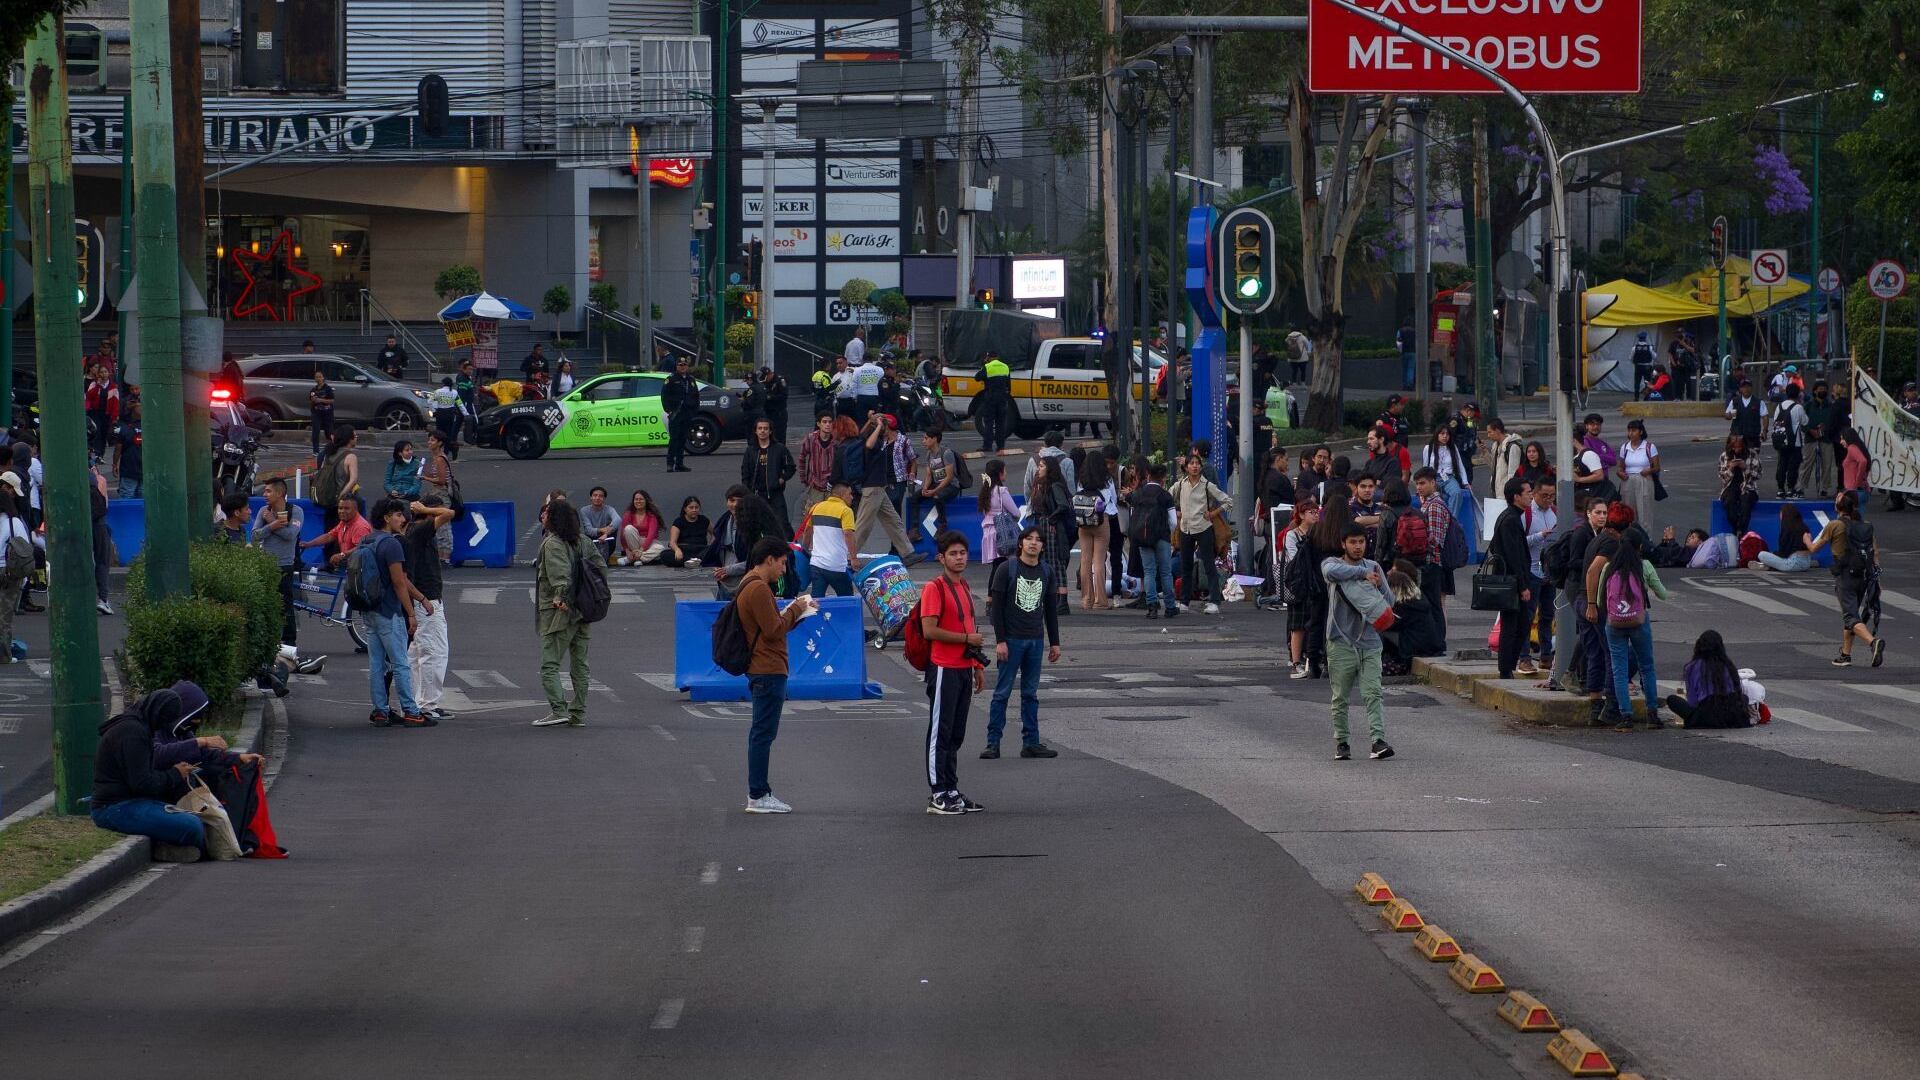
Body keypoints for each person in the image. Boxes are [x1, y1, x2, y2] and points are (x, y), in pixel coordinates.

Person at [736, 537, 818, 814]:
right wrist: (797, 608)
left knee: (761, 733)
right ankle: (758, 794)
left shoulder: (749, 583)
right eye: (782, 563)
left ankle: (759, 792)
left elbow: (771, 627)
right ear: (769, 559)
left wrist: (794, 615)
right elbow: (773, 630)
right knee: (763, 734)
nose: (783, 570)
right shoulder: (759, 588)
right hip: (768, 668)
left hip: (763, 667)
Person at [88, 689, 206, 860]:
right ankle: (165, 848)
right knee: (193, 826)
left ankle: (169, 846)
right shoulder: (133, 734)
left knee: (192, 818)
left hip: (130, 800)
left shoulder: (139, 726)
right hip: (114, 807)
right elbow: (143, 783)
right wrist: (175, 774)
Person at [919, 530, 988, 815]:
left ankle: (951, 789)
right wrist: (966, 640)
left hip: (963, 667)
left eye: (962, 553)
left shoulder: (964, 586)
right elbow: (929, 630)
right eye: (953, 554)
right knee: (941, 732)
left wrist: (977, 666)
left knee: (956, 732)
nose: (959, 558)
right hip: (943, 667)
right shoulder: (934, 588)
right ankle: (938, 793)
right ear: (941, 558)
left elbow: (969, 626)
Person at [983, 525, 1063, 760]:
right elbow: (996, 610)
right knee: (1002, 693)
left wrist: (1055, 643)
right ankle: (992, 743)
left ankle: (1031, 742)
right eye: (1029, 538)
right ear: (1020, 543)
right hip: (1011, 640)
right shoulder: (1006, 569)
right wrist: (1000, 641)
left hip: (1035, 641)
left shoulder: (1047, 571)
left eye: (1038, 540)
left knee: (1030, 694)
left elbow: (1051, 610)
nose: (1033, 543)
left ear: (1043, 546)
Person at [357, 498, 435, 728]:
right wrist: (412, 612)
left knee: (376, 664)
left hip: (369, 608)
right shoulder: (391, 544)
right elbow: (400, 582)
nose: (403, 519)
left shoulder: (366, 540)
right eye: (398, 515)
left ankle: (380, 711)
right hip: (389, 611)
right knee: (400, 663)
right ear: (386, 518)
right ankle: (411, 711)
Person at [1322, 523, 1395, 761]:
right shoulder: (1333, 564)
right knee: (1340, 697)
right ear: (1343, 544)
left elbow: (1390, 601)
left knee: (1373, 693)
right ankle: (1342, 742)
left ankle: (1378, 741)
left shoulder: (1374, 567)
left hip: (1370, 641)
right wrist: (1361, 575)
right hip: (1340, 641)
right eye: (1352, 542)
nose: (1357, 547)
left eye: (1361, 542)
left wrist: (1378, 586)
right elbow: (1330, 572)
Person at [1588, 517, 1667, 730]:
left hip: (1614, 624)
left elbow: (1600, 601)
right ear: (1639, 547)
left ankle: (1625, 716)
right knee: (1647, 667)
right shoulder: (1644, 566)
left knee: (1619, 670)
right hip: (1639, 622)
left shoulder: (1609, 568)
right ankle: (1652, 715)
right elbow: (1663, 594)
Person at [532, 499, 602, 727]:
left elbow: (560, 576)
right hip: (583, 610)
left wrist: (561, 598)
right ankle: (578, 712)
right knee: (580, 664)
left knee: (550, 664)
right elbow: (600, 569)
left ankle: (559, 709)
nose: (543, 517)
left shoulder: (553, 543)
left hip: (559, 612)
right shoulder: (584, 541)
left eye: (547, 513)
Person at [1806, 491, 1886, 668]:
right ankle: (1845, 654)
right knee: (1852, 614)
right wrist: (1877, 580)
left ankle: (1873, 642)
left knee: (1850, 616)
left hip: (1845, 575)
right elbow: (1875, 553)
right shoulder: (1865, 526)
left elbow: (1813, 548)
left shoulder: (1835, 525)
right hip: (1864, 576)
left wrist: (1806, 539)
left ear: (1838, 507)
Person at [406, 496, 458, 722]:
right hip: (427, 600)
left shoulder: (413, 531)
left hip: (421, 599)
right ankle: (427, 704)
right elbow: (449, 513)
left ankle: (414, 701)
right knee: (434, 652)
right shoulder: (420, 530)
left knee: (416, 654)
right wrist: (426, 508)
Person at [251, 478, 309, 660]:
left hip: (284, 565)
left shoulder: (295, 511)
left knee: (286, 606)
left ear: (280, 493)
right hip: (265, 565)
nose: (264, 495)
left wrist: (272, 525)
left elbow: (291, 535)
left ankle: (289, 644)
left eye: (268, 491)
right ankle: (267, 642)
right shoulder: (263, 511)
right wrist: (272, 525)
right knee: (265, 605)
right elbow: (254, 535)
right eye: (264, 491)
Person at [1489, 478, 1538, 679]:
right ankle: (1505, 669)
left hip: (1513, 581)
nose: (1531, 496)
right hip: (1511, 583)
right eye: (1528, 492)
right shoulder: (1510, 519)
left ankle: (1508, 666)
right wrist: (1522, 585)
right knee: (1512, 627)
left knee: (1521, 625)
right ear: (1516, 496)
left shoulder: (1512, 516)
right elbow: (1513, 556)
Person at [852, 413, 917, 562]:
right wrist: (878, 425)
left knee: (894, 521)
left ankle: (907, 553)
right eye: (884, 426)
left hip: (880, 487)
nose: (886, 429)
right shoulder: (872, 441)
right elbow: (867, 444)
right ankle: (849, 556)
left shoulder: (879, 440)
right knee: (863, 525)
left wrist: (872, 421)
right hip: (872, 487)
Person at [1172, 454, 1231, 614]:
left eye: (1197, 463)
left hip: (1204, 528)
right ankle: (1184, 602)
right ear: (1186, 467)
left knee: (1209, 565)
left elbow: (1228, 501)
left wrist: (1213, 513)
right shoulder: (1180, 484)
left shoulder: (1207, 485)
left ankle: (1214, 601)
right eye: (1191, 463)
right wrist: (1175, 512)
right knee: (1186, 567)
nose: (1195, 466)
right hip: (1185, 529)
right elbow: (1167, 498)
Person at [1665, 631, 1751, 729]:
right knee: (1744, 697)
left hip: (1706, 716)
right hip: (1732, 716)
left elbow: (1693, 702)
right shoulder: (1728, 665)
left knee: (1672, 699)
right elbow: (1738, 695)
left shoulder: (1691, 667)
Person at [1125, 461, 1177, 619]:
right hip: (1162, 537)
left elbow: (1133, 516)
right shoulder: (1166, 495)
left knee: (1149, 571)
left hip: (1143, 537)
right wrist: (1167, 533)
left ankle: (1152, 606)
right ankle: (1170, 607)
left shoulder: (1137, 494)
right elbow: (1173, 521)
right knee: (1165, 572)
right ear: (1163, 478)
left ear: (1148, 476)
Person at [801, 481, 860, 597]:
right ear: (842, 495)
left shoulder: (816, 507)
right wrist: (853, 558)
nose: (852, 497)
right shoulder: (846, 511)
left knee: (816, 600)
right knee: (846, 599)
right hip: (836, 566)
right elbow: (848, 534)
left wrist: (804, 552)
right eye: (849, 494)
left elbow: (807, 531)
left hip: (816, 565)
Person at [739, 418, 795, 536]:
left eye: (765, 428)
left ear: (770, 431)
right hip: (757, 493)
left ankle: (789, 545)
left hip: (775, 493)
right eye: (760, 428)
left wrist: (781, 479)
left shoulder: (779, 448)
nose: (762, 431)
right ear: (755, 431)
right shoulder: (750, 450)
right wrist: (747, 490)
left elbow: (791, 467)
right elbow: (745, 472)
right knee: (757, 524)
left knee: (782, 523)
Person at [906, 428, 963, 542]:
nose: (923, 441)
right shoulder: (929, 454)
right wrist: (925, 488)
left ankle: (942, 525)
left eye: (926, 438)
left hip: (951, 486)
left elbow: (949, 477)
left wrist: (935, 491)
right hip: (936, 484)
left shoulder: (946, 453)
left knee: (937, 497)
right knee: (914, 498)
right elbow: (929, 475)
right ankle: (914, 530)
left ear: (934, 439)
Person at [1072, 454, 1112, 610]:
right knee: (1099, 561)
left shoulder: (1081, 480)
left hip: (1083, 522)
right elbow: (1111, 501)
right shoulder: (1106, 480)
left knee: (1085, 560)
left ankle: (1087, 599)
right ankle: (1100, 601)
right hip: (1101, 521)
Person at [1525, 479, 1558, 670]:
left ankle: (1546, 655)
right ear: (1535, 494)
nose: (1548, 499)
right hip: (1531, 570)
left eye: (1552, 496)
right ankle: (1524, 656)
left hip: (1549, 572)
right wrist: (1540, 536)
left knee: (1547, 615)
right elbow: (1519, 541)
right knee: (1528, 615)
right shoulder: (1527, 513)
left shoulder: (1554, 513)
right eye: (1544, 496)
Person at [0, 478, 31, 656]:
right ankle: (4, 655)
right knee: (5, 616)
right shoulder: (14, 523)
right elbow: (25, 552)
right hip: (8, 573)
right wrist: (24, 579)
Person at [301, 495, 372, 570]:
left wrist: (342, 555)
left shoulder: (360, 527)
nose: (342, 511)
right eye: (340, 508)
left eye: (347, 508)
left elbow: (361, 549)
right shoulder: (344, 521)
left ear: (355, 509)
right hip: (350, 567)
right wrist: (308, 544)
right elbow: (329, 536)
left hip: (360, 570)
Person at [312, 423, 361, 532]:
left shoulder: (329, 453)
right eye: (355, 436)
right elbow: (353, 480)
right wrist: (341, 496)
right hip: (344, 501)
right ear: (349, 439)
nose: (357, 438)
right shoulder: (350, 456)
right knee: (348, 531)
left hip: (328, 499)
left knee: (330, 532)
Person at [417, 429, 455, 562]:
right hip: (437, 493)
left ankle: (445, 557)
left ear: (440, 443)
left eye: (432, 440)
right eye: (429, 439)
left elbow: (441, 480)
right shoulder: (436, 458)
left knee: (443, 526)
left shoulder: (440, 459)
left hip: (442, 494)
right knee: (439, 526)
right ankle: (442, 557)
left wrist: (425, 478)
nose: (429, 442)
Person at [977, 458, 1020, 573]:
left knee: (997, 566)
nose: (1006, 473)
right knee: (1002, 567)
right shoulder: (1001, 491)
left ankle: (993, 585)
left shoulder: (985, 491)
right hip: (1002, 533)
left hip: (988, 532)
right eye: (1004, 470)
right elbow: (1016, 513)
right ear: (1000, 474)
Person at [1616, 419, 1661, 528]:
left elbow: (1657, 467)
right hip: (1628, 480)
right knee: (1628, 512)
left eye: (1634, 430)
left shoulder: (1649, 447)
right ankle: (1629, 535)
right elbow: (1620, 467)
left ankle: (1646, 536)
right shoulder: (1625, 447)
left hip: (1644, 479)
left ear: (1641, 432)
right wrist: (1620, 473)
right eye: (1629, 430)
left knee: (1644, 513)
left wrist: (1648, 470)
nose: (1631, 433)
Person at [1769, 382, 1808, 499]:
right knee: (1793, 466)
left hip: (1781, 440)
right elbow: (1805, 422)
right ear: (1798, 394)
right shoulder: (1798, 407)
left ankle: (1780, 489)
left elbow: (1775, 421)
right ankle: (1791, 489)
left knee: (1782, 465)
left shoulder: (1779, 406)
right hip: (1795, 442)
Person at [796, 412, 838, 517]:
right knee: (812, 516)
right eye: (824, 422)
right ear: (819, 424)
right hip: (815, 484)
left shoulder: (836, 441)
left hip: (833, 485)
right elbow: (801, 458)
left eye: (830, 422)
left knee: (831, 516)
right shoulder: (811, 438)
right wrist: (804, 478)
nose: (827, 424)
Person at [1751, 503, 1814, 572]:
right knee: (1774, 556)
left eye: (1781, 514)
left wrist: (1774, 554)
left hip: (1792, 563)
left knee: (1761, 554)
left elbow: (1783, 553)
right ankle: (1768, 566)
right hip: (1806, 564)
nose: (1780, 516)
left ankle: (1767, 566)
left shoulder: (1787, 528)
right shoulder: (1804, 527)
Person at [1718, 434, 1761, 537]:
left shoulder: (1752, 454)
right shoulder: (1724, 456)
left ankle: (1741, 530)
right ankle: (1736, 527)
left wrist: (1745, 468)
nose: (1736, 450)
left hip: (1748, 485)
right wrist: (1730, 468)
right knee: (1729, 501)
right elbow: (1723, 477)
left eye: (1739, 447)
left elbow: (1758, 475)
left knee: (1746, 502)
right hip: (1730, 485)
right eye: (1734, 447)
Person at [662, 357, 699, 473]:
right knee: (674, 439)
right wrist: (669, 410)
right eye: (680, 365)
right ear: (676, 366)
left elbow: (696, 395)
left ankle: (679, 463)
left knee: (683, 439)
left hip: (687, 413)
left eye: (684, 365)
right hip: (676, 413)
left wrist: (694, 410)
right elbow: (664, 396)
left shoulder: (691, 379)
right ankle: (670, 463)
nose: (683, 367)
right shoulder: (671, 379)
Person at [1799, 380, 1836, 498]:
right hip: (1811, 439)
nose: (1822, 391)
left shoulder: (1831, 406)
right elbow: (1802, 422)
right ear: (1815, 391)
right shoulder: (1808, 406)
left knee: (1827, 464)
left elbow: (1834, 422)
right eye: (1820, 389)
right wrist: (1811, 430)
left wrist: (1825, 428)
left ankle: (1824, 488)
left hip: (1826, 439)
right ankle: (1801, 487)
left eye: (1824, 389)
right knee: (1807, 464)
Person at [618, 490, 668, 566]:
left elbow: (651, 536)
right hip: (634, 541)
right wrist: (627, 551)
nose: (638, 501)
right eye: (636, 499)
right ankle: (639, 558)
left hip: (649, 542)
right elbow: (622, 535)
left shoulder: (651, 516)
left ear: (646, 501)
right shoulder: (628, 514)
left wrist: (641, 550)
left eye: (641, 499)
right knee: (628, 528)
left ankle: (633, 559)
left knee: (660, 548)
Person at [1422, 425, 1468, 503]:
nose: (1445, 436)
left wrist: (1465, 482)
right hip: (1433, 478)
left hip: (1449, 478)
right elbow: (1425, 467)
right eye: (1442, 433)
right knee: (1434, 497)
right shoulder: (1428, 448)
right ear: (1437, 435)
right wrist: (1423, 483)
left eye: (1447, 434)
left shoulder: (1453, 447)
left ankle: (1451, 512)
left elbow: (1460, 465)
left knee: (1457, 493)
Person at [977, 351, 1013, 452]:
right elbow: (1009, 385)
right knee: (1000, 423)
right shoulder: (1005, 367)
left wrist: (984, 364)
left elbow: (977, 377)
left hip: (990, 398)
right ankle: (1000, 446)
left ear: (988, 358)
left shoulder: (987, 367)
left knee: (989, 422)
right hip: (1002, 398)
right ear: (998, 357)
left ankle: (987, 446)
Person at [1023, 429, 1076, 495]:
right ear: (1061, 444)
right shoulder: (1067, 462)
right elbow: (1071, 487)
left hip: (1038, 500)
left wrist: (1030, 500)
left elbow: (1027, 485)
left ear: (1044, 444)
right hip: (1059, 500)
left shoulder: (1033, 460)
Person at [663, 496, 710, 568]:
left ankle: (693, 562)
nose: (694, 510)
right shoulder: (678, 522)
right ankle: (695, 562)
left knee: (712, 550)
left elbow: (714, 533)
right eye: (691, 507)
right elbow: (672, 542)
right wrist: (677, 550)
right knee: (664, 555)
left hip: (701, 550)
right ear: (685, 509)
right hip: (684, 551)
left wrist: (712, 543)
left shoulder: (704, 520)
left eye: (696, 507)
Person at [578, 486, 620, 564]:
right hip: (592, 539)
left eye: (600, 496)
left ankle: (603, 558)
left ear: (604, 499)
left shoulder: (609, 509)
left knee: (614, 528)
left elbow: (618, 520)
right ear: (591, 497)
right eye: (595, 495)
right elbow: (588, 530)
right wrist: (601, 530)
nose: (597, 498)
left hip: (607, 538)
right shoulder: (584, 510)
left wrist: (606, 533)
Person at [111, 399, 143, 499]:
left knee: (127, 497)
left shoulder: (125, 429)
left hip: (129, 469)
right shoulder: (150, 429)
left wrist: (114, 464)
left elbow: (118, 449)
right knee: (144, 498)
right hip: (145, 469)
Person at [1484, 416, 1522, 498]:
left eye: (1490, 432)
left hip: (1505, 494)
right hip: (1496, 491)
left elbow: (1513, 473)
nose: (1488, 436)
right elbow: (1494, 467)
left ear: (1497, 430)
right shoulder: (1495, 445)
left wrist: (1509, 494)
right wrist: (1484, 452)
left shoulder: (1512, 447)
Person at [1838, 427, 1872, 515]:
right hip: (1861, 491)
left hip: (1853, 491)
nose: (1840, 442)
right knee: (1858, 518)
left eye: (1842, 439)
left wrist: (1857, 482)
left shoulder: (1852, 448)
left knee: (1844, 519)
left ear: (1848, 438)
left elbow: (1863, 461)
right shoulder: (1859, 448)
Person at [1725, 377, 1767, 445]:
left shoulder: (1759, 402)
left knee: (1753, 451)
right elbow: (1727, 415)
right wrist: (1729, 415)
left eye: (1748, 386)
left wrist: (1764, 431)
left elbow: (1765, 416)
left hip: (1753, 436)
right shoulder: (1735, 401)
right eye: (1744, 387)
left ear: (1751, 388)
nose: (1746, 389)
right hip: (1737, 437)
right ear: (1740, 389)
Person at [308, 367, 335, 460]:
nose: (318, 379)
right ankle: (315, 451)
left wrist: (321, 400)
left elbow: (332, 400)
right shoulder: (313, 390)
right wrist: (313, 400)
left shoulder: (328, 389)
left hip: (327, 413)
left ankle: (331, 449)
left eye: (320, 377)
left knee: (329, 432)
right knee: (315, 431)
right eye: (316, 377)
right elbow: (310, 400)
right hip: (316, 413)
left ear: (323, 378)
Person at [429, 378, 462, 453]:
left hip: (440, 414)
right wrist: (466, 413)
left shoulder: (437, 391)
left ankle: (439, 450)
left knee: (439, 433)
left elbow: (429, 401)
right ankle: (446, 451)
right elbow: (460, 404)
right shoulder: (454, 392)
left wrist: (434, 410)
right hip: (450, 414)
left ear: (443, 383)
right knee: (448, 433)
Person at [851, 348, 884, 423]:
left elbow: (854, 385)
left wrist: (854, 397)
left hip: (861, 398)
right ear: (872, 360)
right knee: (875, 420)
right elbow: (881, 382)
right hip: (874, 398)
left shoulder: (857, 370)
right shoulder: (880, 370)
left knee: (862, 420)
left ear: (863, 360)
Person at [760, 366, 790, 441]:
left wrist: (770, 397)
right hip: (768, 412)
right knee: (769, 435)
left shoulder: (780, 380)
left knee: (779, 435)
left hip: (779, 412)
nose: (765, 380)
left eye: (766, 377)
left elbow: (784, 396)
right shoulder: (765, 382)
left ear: (770, 374)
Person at [1629, 331, 1658, 400]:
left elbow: (1630, 358)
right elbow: (1655, 357)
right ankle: (1647, 397)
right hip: (1647, 367)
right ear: (1645, 338)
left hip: (1638, 367)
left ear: (1639, 339)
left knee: (1637, 383)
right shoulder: (1649, 347)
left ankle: (1636, 398)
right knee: (1647, 383)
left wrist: (1635, 363)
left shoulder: (1634, 348)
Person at [1396, 324, 1417, 390]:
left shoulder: (1400, 331)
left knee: (1404, 368)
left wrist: (1400, 351)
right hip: (1413, 352)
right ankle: (1410, 384)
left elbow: (1398, 341)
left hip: (1404, 352)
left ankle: (1404, 384)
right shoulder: (1414, 331)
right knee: (1411, 368)